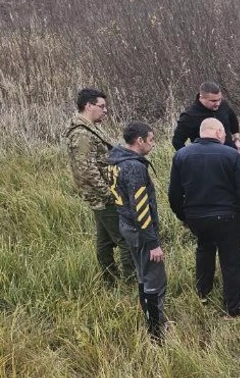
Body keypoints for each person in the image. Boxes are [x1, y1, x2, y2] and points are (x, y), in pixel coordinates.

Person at [168, 118, 240, 317]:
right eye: (224, 133)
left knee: (204, 250)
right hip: (227, 217)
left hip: (196, 218)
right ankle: (232, 310)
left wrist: (183, 215)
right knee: (231, 261)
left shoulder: (181, 155)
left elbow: (174, 193)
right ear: (218, 133)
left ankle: (202, 294)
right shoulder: (231, 155)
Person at [66, 88, 134, 287]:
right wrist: (108, 194)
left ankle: (110, 282)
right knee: (125, 239)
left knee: (105, 241)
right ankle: (132, 282)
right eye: (101, 106)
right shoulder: (81, 134)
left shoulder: (90, 128)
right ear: (88, 106)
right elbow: (85, 170)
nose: (105, 111)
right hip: (102, 196)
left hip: (102, 194)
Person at [107, 121, 168, 341]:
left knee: (143, 276)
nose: (153, 144)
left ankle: (153, 320)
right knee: (154, 279)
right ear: (139, 140)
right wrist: (153, 243)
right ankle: (156, 333)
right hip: (139, 229)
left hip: (127, 226)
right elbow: (140, 208)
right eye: (151, 139)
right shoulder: (134, 167)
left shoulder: (116, 161)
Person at [171, 81, 240, 152]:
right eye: (213, 101)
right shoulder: (189, 116)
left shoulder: (223, 105)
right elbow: (177, 142)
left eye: (219, 99)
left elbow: (233, 121)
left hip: (230, 154)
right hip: (205, 160)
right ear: (202, 98)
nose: (218, 103)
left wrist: (237, 140)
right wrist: (190, 157)